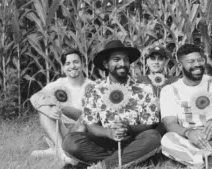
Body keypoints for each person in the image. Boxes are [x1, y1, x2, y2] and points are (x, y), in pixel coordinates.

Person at [62, 40, 161, 169]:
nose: (122, 64)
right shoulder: (94, 88)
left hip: (133, 140)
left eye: (126, 60)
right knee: (70, 142)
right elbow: (90, 125)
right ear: (106, 64)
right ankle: (129, 160)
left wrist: (129, 129)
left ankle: (102, 166)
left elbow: (150, 123)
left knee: (153, 137)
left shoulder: (144, 89)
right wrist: (109, 132)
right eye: (116, 59)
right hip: (104, 142)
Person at [30, 49, 92, 163]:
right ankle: (60, 151)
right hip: (59, 131)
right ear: (63, 68)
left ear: (83, 64)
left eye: (76, 62)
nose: (72, 66)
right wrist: (49, 110)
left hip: (80, 133)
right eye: (68, 63)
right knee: (44, 109)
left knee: (85, 117)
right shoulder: (59, 84)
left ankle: (58, 150)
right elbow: (34, 98)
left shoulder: (92, 86)